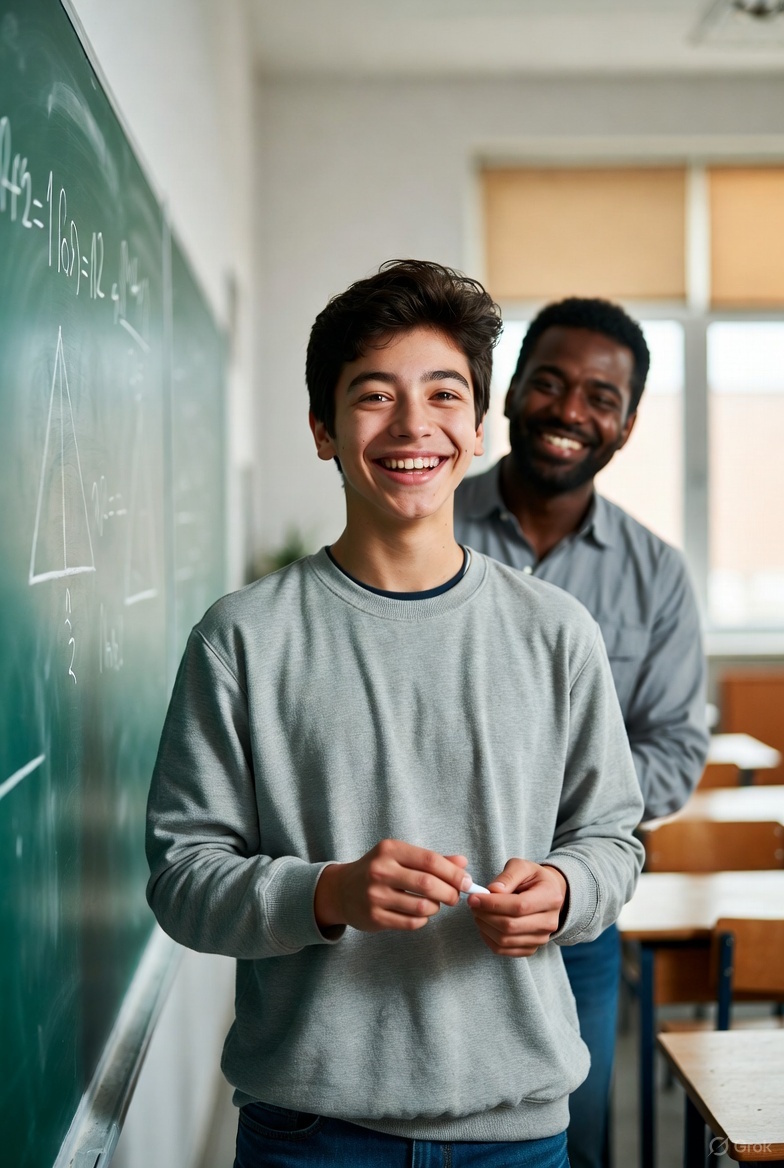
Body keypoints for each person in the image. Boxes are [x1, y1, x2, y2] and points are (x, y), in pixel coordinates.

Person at [146, 262, 645, 1168]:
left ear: (479, 428)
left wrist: (568, 889)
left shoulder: (558, 633)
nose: (414, 426)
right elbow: (182, 880)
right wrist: (327, 893)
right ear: (322, 430)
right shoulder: (242, 638)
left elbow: (614, 839)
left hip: (519, 1131)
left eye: (444, 394)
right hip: (312, 1135)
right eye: (374, 396)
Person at [454, 296, 709, 1168]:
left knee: (574, 1139)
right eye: (551, 384)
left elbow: (674, 744)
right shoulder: (424, 527)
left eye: (601, 397)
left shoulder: (657, 575)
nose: (571, 411)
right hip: (423, 897)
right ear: (512, 391)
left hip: (578, 913)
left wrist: (558, 841)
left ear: (627, 426)